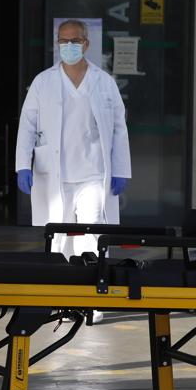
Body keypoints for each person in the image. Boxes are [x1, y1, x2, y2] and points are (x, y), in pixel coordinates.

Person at [15, 19, 131, 261]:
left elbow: (119, 128)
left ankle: (95, 286)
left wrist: (121, 169)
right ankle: (61, 289)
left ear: (86, 44)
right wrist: (23, 165)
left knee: (94, 231)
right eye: (63, 40)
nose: (69, 45)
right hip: (56, 174)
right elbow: (27, 125)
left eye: (75, 40)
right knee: (58, 236)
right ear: (57, 44)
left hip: (93, 173)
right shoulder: (43, 82)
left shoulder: (104, 82)